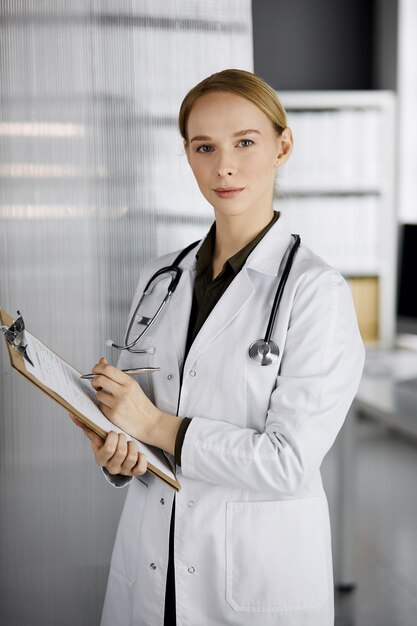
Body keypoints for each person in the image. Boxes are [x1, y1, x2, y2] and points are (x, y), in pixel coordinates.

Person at [70, 68, 365, 626]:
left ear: (284, 146)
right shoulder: (163, 277)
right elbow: (141, 422)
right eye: (204, 147)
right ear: (187, 154)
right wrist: (120, 453)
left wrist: (155, 427)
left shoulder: (315, 292)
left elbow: (289, 461)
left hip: (253, 579)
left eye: (245, 143)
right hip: (154, 567)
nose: (224, 166)